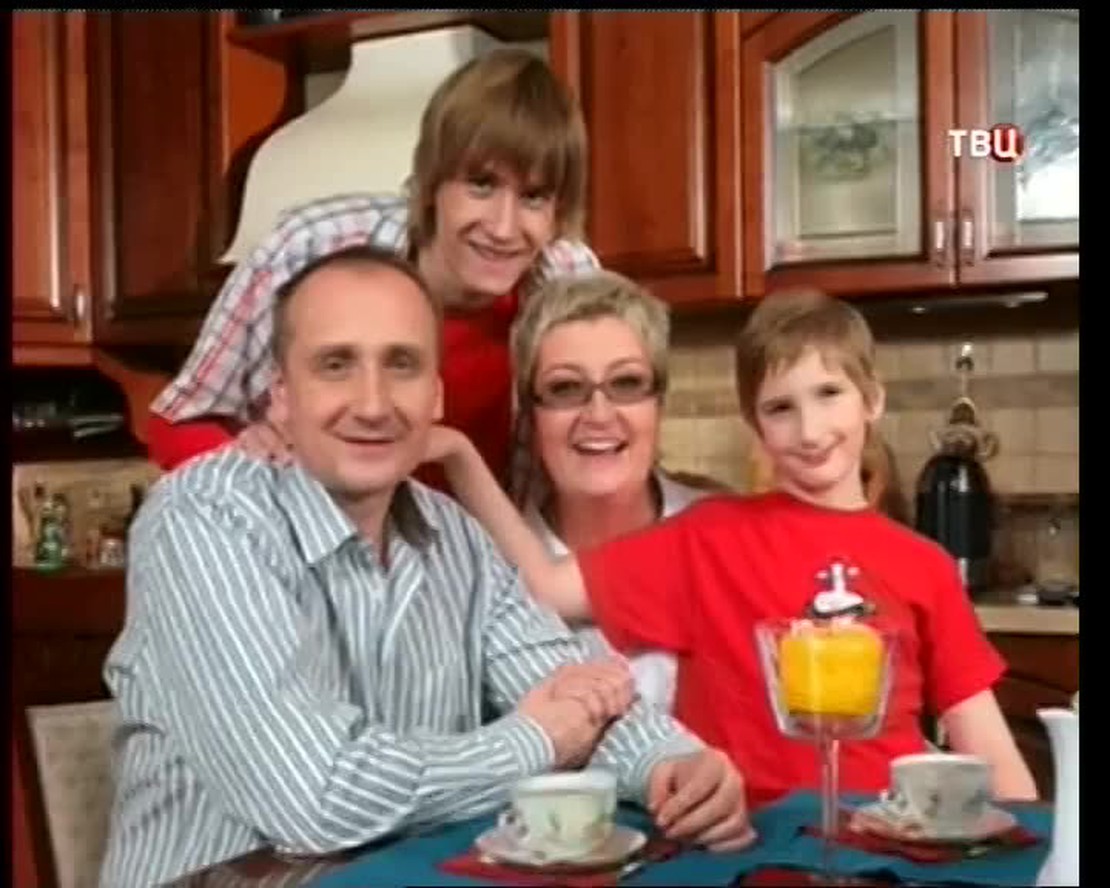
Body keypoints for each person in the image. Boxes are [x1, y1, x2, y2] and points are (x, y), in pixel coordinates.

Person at [99, 245, 755, 887]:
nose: (373, 403)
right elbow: (312, 799)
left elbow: (563, 685)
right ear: (280, 396)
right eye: (335, 364)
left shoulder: (453, 535)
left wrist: (673, 764)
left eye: (402, 365)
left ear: (436, 395)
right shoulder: (204, 518)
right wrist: (536, 742)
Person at [426, 288, 1038, 811]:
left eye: (829, 393)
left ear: (872, 400)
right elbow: (544, 587)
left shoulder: (924, 564)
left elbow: (987, 746)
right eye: (781, 408)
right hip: (741, 842)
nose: (810, 429)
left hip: (886, 839)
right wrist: (459, 458)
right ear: (754, 424)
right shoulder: (708, 535)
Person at [146, 48, 599, 496]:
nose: (503, 228)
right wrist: (243, 462)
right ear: (432, 183)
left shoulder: (571, 285)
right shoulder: (310, 250)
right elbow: (177, 420)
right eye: (481, 185)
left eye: (534, 197)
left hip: (488, 537)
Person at [510, 271, 713, 710]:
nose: (599, 415)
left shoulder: (723, 533)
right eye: (565, 388)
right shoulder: (492, 568)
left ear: (659, 403)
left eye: (626, 384)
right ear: (530, 415)